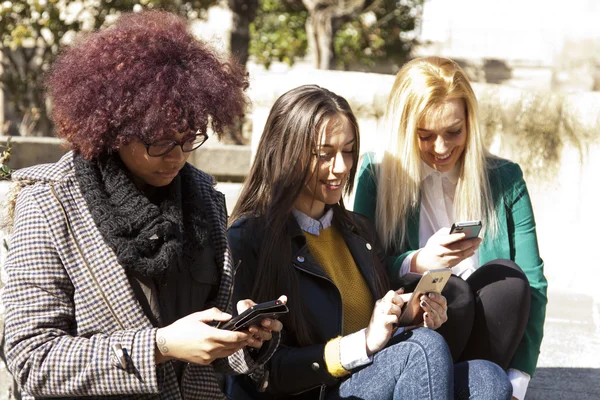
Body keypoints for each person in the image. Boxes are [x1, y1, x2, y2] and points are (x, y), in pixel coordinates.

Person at [2, 11, 283, 399]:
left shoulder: (204, 199)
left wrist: (242, 337)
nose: (178, 156)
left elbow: (209, 351)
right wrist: (159, 347)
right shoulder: (49, 204)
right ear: (116, 128)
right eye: (161, 142)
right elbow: (33, 359)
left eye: (190, 139)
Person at [226, 84, 512, 399]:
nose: (343, 166)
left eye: (348, 151)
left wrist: (405, 318)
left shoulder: (358, 231)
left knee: (489, 378)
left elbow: (375, 335)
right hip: (313, 391)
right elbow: (261, 374)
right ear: (285, 152)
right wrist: (363, 342)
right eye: (325, 154)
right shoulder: (248, 238)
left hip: (367, 380)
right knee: (422, 349)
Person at [353, 56, 548, 400]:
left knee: (510, 279)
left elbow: (533, 284)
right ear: (403, 130)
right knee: (452, 291)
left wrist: (518, 383)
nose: (441, 149)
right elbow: (363, 273)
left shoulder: (506, 179)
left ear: (470, 124)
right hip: (421, 334)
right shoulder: (375, 175)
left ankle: (488, 389)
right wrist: (419, 262)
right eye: (425, 136)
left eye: (453, 132)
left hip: (489, 339)